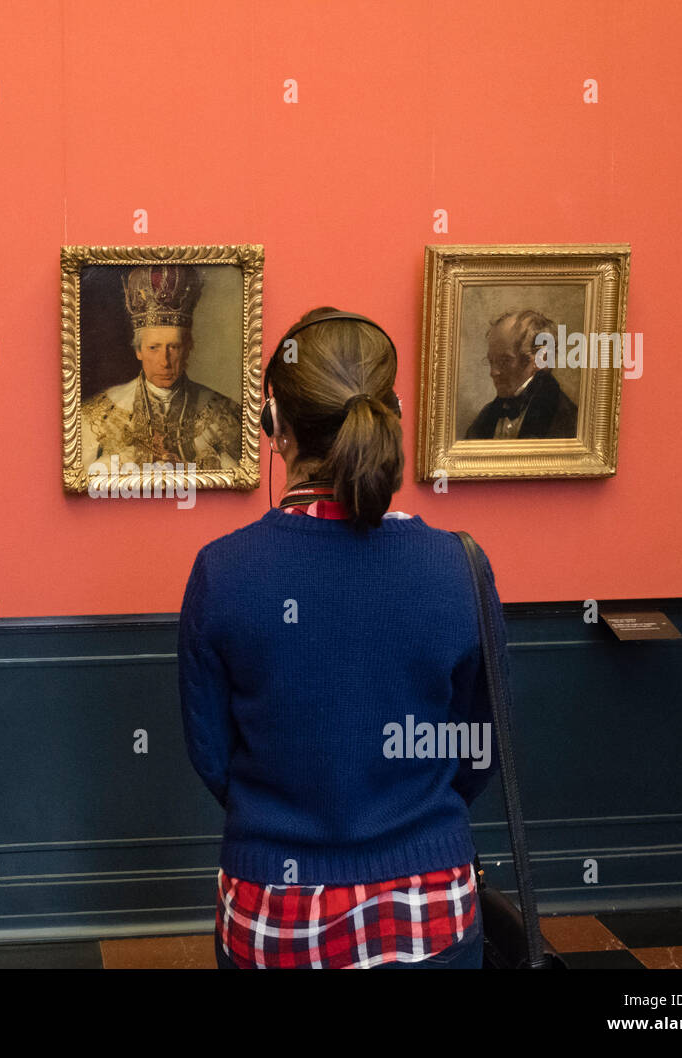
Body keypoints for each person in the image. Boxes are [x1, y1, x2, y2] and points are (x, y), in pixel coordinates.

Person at [178, 307, 504, 969]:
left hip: (274, 910)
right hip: (427, 906)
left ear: (275, 424)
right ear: (395, 412)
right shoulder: (459, 566)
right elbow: (480, 745)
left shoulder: (223, 570)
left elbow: (213, 756)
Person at [81, 265, 241, 470]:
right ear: (138, 351)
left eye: (173, 347)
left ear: (188, 348)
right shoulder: (98, 416)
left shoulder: (225, 413)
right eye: (153, 348)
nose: (164, 361)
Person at [465, 308, 577, 439]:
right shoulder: (486, 416)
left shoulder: (563, 417)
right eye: (491, 361)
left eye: (505, 361)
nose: (493, 372)